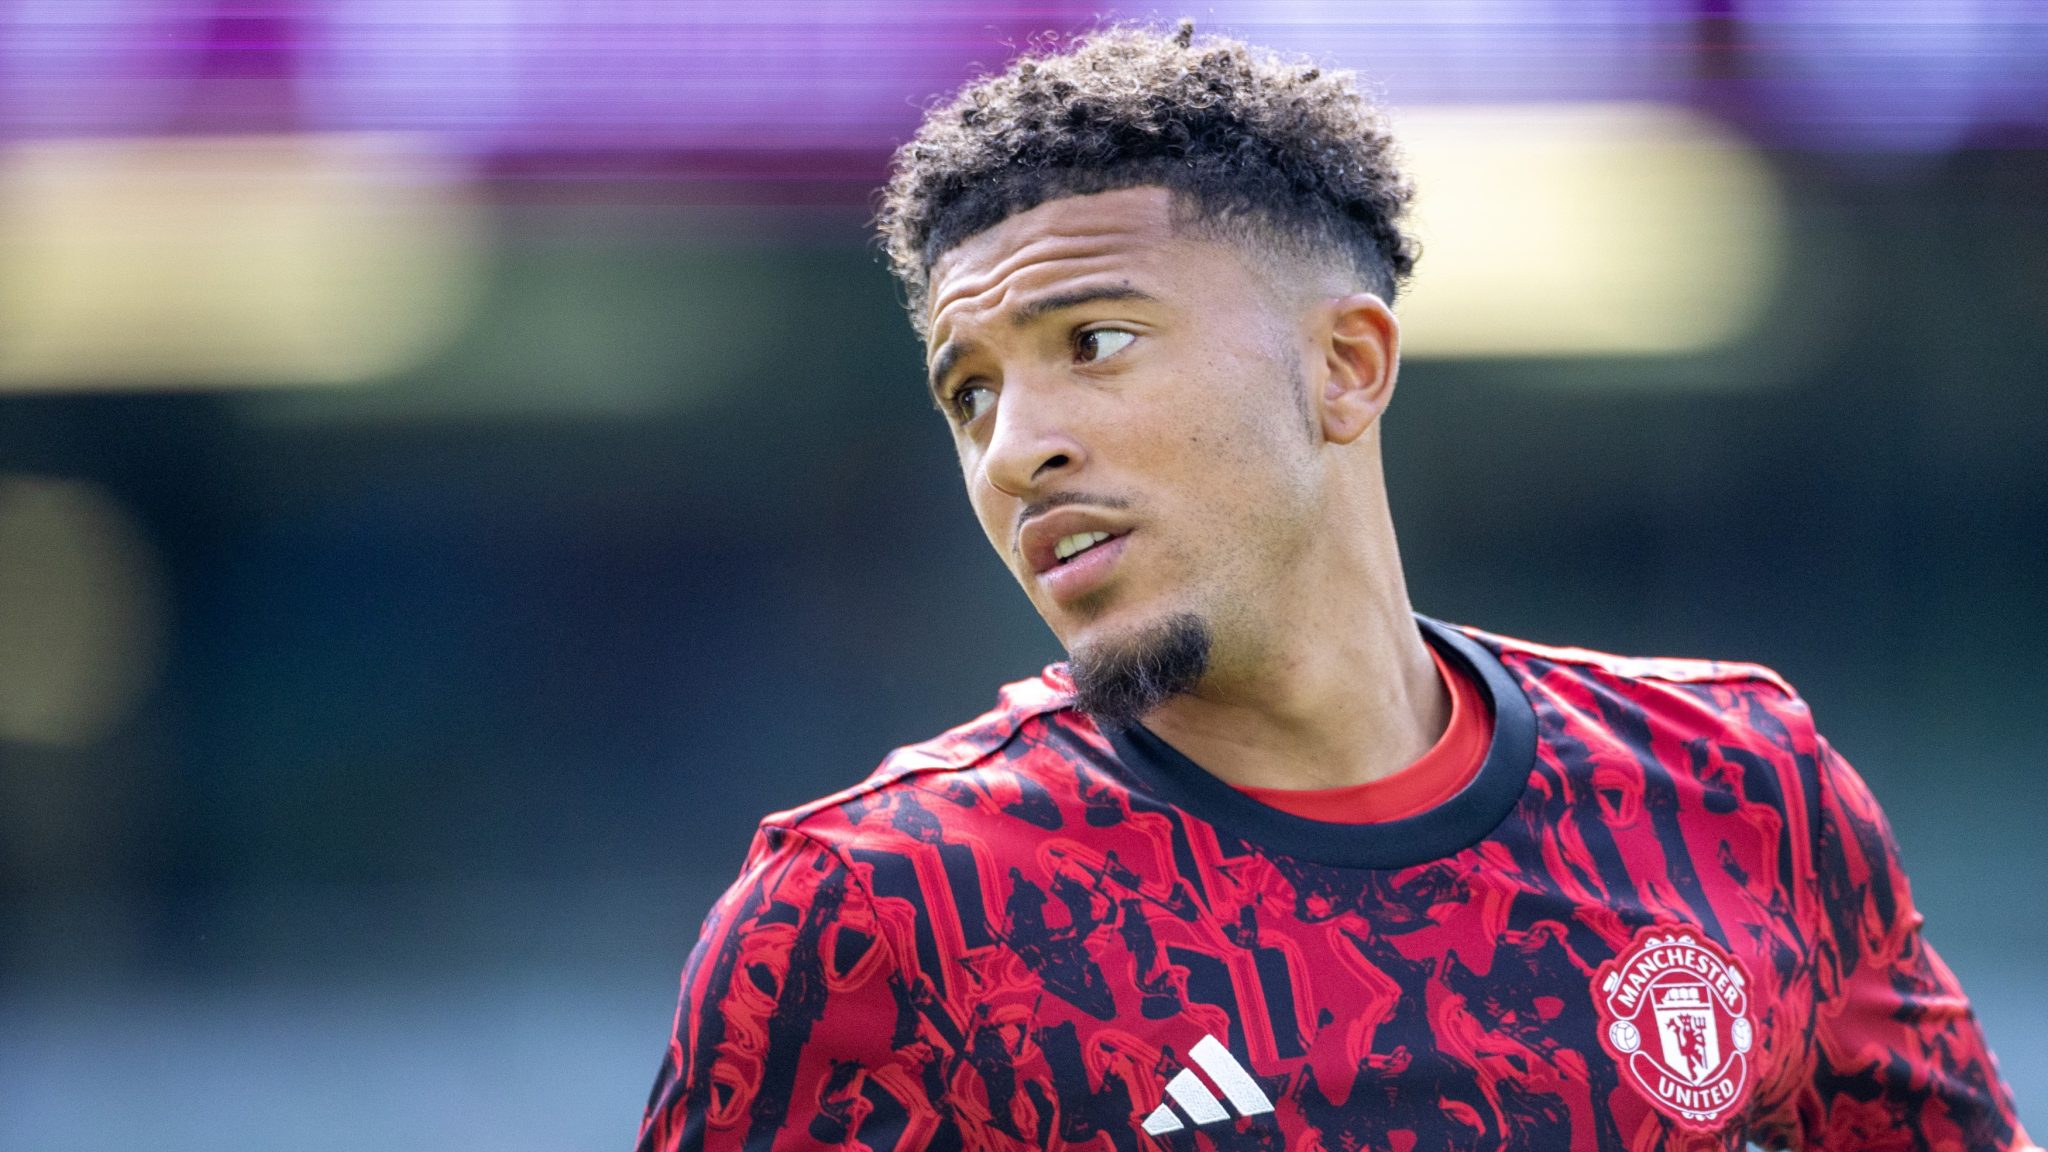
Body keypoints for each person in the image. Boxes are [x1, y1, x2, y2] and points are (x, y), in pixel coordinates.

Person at [635, 22, 2033, 1152]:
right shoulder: (874, 919)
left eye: (1097, 340)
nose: (1014, 449)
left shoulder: (1740, 789)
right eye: (971, 393)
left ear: (1347, 368)